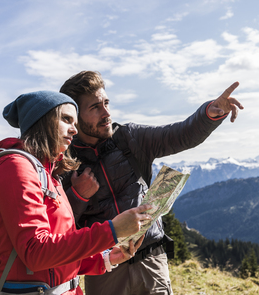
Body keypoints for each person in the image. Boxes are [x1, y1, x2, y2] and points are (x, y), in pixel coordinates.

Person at [60, 71, 244, 295]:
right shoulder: (65, 161)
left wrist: (209, 114)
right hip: (104, 268)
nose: (106, 113)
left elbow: (179, 134)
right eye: (95, 108)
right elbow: (60, 227)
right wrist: (78, 196)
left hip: (151, 260)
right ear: (75, 115)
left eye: (106, 103)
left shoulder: (129, 137)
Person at [0, 90, 153, 295]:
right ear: (41, 121)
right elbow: (35, 253)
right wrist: (112, 230)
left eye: (75, 123)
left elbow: (59, 251)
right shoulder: (14, 167)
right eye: (66, 119)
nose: (74, 130)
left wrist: (105, 258)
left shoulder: (49, 175)